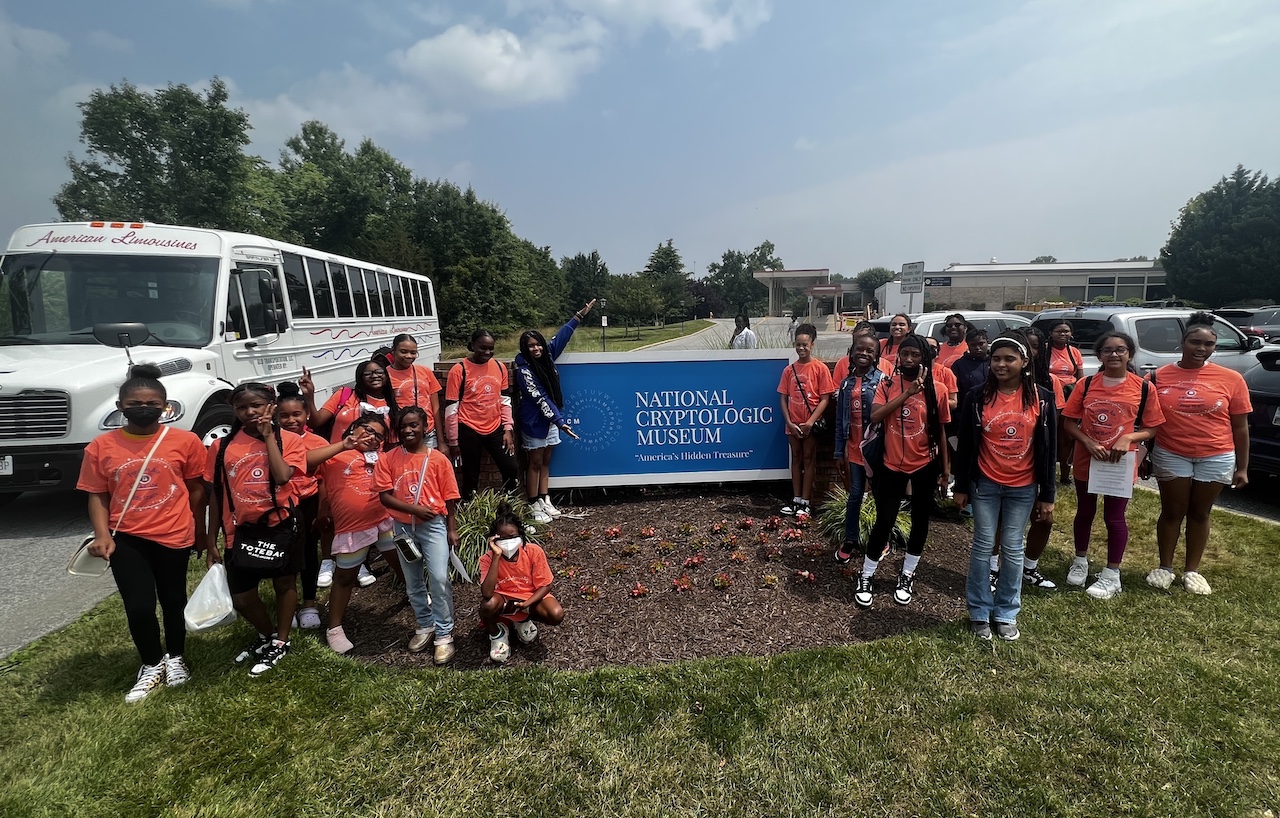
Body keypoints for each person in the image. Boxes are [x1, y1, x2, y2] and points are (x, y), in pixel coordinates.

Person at [76, 364, 208, 702]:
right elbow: (97, 494)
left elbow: (196, 489)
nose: (144, 408)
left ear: (165, 406)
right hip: (128, 537)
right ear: (120, 406)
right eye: (135, 402)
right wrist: (102, 535)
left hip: (174, 533)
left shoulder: (186, 441)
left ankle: (176, 656)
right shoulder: (101, 447)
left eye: (152, 403)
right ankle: (151, 663)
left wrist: (200, 530)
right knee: (138, 606)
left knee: (174, 600)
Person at [952, 333, 1057, 641]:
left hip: (1023, 487)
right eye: (996, 358)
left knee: (1013, 548)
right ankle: (979, 611)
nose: (1001, 364)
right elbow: (967, 445)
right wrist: (961, 486)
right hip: (985, 484)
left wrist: (1048, 495)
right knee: (983, 547)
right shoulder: (976, 396)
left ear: (1025, 362)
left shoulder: (1042, 397)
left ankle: (1007, 612)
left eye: (1009, 358)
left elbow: (1048, 451)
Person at [205, 383, 309, 678]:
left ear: (271, 406)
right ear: (234, 410)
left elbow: (282, 476)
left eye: (257, 406)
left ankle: (281, 639)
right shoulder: (222, 446)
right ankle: (265, 633)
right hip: (240, 530)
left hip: (282, 526)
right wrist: (211, 539)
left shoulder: (289, 440)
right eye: (241, 407)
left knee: (284, 584)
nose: (249, 412)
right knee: (242, 597)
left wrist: (268, 438)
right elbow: (216, 493)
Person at [1147, 312, 1251, 595]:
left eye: (1208, 345)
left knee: (1200, 513)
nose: (1201, 349)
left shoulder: (1231, 379)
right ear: (1182, 342)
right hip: (1172, 453)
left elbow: (1240, 427)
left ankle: (1191, 570)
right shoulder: (1157, 376)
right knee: (1172, 512)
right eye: (1195, 342)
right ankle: (1165, 567)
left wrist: (1242, 467)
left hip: (1216, 454)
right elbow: (1146, 421)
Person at [1061, 331, 1165, 599]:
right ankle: (1081, 560)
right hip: (1088, 459)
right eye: (1107, 350)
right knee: (1085, 512)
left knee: (1114, 517)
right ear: (1099, 356)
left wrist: (1129, 437)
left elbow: (1152, 428)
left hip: (1119, 463)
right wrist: (1087, 442)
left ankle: (1111, 574)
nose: (1114, 355)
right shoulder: (1085, 385)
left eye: (1120, 350)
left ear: (1130, 354)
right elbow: (1069, 422)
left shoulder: (1143, 388)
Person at [854, 333, 950, 609]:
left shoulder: (938, 390)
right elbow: (874, 416)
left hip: (924, 464)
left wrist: (945, 471)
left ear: (925, 359)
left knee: (921, 521)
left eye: (915, 355)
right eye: (904, 354)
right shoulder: (887, 384)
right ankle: (867, 575)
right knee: (885, 519)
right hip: (890, 463)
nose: (908, 359)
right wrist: (907, 394)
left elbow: (941, 431)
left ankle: (907, 574)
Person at [376, 406, 462, 664]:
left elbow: (450, 497)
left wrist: (452, 528)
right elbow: (384, 496)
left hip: (433, 526)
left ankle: (444, 633)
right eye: (403, 426)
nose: (408, 430)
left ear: (426, 427)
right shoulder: (389, 458)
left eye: (414, 425)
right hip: (403, 529)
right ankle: (424, 624)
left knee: (438, 578)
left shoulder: (437, 459)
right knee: (413, 581)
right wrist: (413, 509)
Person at [297, 414, 388, 653]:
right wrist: (344, 444)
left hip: (385, 522)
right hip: (353, 528)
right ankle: (334, 628)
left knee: (402, 562)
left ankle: (416, 599)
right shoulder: (333, 455)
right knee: (345, 577)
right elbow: (304, 462)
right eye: (367, 430)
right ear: (354, 428)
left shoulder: (382, 457)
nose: (371, 437)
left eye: (378, 435)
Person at [515, 302, 593, 523]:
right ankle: (533, 504)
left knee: (547, 460)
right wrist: (559, 422)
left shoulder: (548, 356)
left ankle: (544, 498)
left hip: (551, 420)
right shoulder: (525, 370)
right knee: (535, 462)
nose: (536, 348)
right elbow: (539, 397)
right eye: (531, 346)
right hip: (535, 421)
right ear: (525, 348)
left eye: (538, 344)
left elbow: (562, 337)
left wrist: (578, 316)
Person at [275, 382, 332, 630]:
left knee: (309, 554)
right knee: (284, 557)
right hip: (279, 507)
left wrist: (322, 512)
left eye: (296, 414)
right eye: (284, 415)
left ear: (306, 415)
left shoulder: (318, 442)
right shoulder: (271, 442)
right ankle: (287, 602)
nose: (290, 420)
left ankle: (309, 603)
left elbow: (324, 480)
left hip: (307, 504)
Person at [1014, 326, 1068, 590]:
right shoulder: (998, 383)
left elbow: (1054, 428)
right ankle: (993, 567)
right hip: (1009, 463)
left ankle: (1029, 567)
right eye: (1024, 345)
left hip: (1038, 461)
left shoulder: (1049, 383)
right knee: (1004, 521)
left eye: (1034, 346)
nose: (1030, 351)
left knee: (1044, 517)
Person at [478, 502, 564, 664]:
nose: (507, 542)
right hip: (503, 601)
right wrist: (496, 556)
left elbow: (546, 585)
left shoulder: (533, 551)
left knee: (556, 614)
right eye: (501, 538)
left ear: (520, 535)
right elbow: (487, 594)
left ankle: (521, 620)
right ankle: (497, 634)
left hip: (529, 599)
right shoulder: (487, 559)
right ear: (493, 539)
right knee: (488, 605)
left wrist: (527, 604)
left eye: (511, 537)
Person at [445, 329, 518, 501]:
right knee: (471, 475)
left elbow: (505, 400)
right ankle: (470, 509)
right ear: (472, 346)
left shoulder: (500, 367)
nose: (487, 352)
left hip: (495, 427)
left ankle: (509, 506)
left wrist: (508, 429)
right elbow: (451, 409)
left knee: (511, 467)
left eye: (491, 348)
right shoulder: (459, 370)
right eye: (482, 348)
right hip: (469, 428)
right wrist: (454, 441)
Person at [832, 333, 885, 564]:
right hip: (853, 451)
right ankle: (850, 539)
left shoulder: (884, 380)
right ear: (852, 352)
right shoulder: (846, 383)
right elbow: (839, 420)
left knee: (880, 497)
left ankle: (881, 540)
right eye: (859, 349)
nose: (864, 353)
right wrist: (838, 451)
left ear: (876, 355)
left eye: (869, 350)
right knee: (855, 496)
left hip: (876, 451)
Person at [777, 322, 833, 518]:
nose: (801, 348)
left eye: (805, 344)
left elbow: (825, 398)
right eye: (798, 344)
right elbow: (783, 397)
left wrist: (810, 422)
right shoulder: (789, 371)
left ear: (812, 344)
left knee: (809, 458)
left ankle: (806, 502)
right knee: (796, 458)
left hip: (810, 424)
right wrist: (789, 422)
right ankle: (796, 499)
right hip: (792, 423)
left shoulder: (820, 368)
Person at [300, 360, 400, 448]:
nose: (374, 376)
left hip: (372, 465)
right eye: (368, 374)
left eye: (379, 372)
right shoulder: (344, 394)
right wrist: (309, 396)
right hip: (338, 460)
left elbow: (391, 446)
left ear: (386, 377)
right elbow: (316, 422)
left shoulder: (391, 407)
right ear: (360, 378)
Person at [385, 334, 448, 460]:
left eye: (413, 353)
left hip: (428, 434)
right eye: (403, 351)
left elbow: (435, 409)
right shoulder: (385, 375)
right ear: (393, 352)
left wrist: (441, 441)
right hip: (401, 435)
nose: (409, 356)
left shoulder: (425, 372)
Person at [1046, 320, 1085, 483]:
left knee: (1066, 437)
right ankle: (1047, 473)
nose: (1063, 334)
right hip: (1049, 397)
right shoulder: (1044, 350)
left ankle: (1064, 475)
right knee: (1049, 436)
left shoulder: (1074, 352)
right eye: (1059, 331)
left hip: (1069, 399)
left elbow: (1080, 377)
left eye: (1066, 331)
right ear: (1050, 333)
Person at [950, 327, 990, 397]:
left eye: (981, 344)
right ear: (968, 345)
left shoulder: (995, 362)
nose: (977, 348)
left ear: (987, 342)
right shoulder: (959, 365)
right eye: (973, 345)